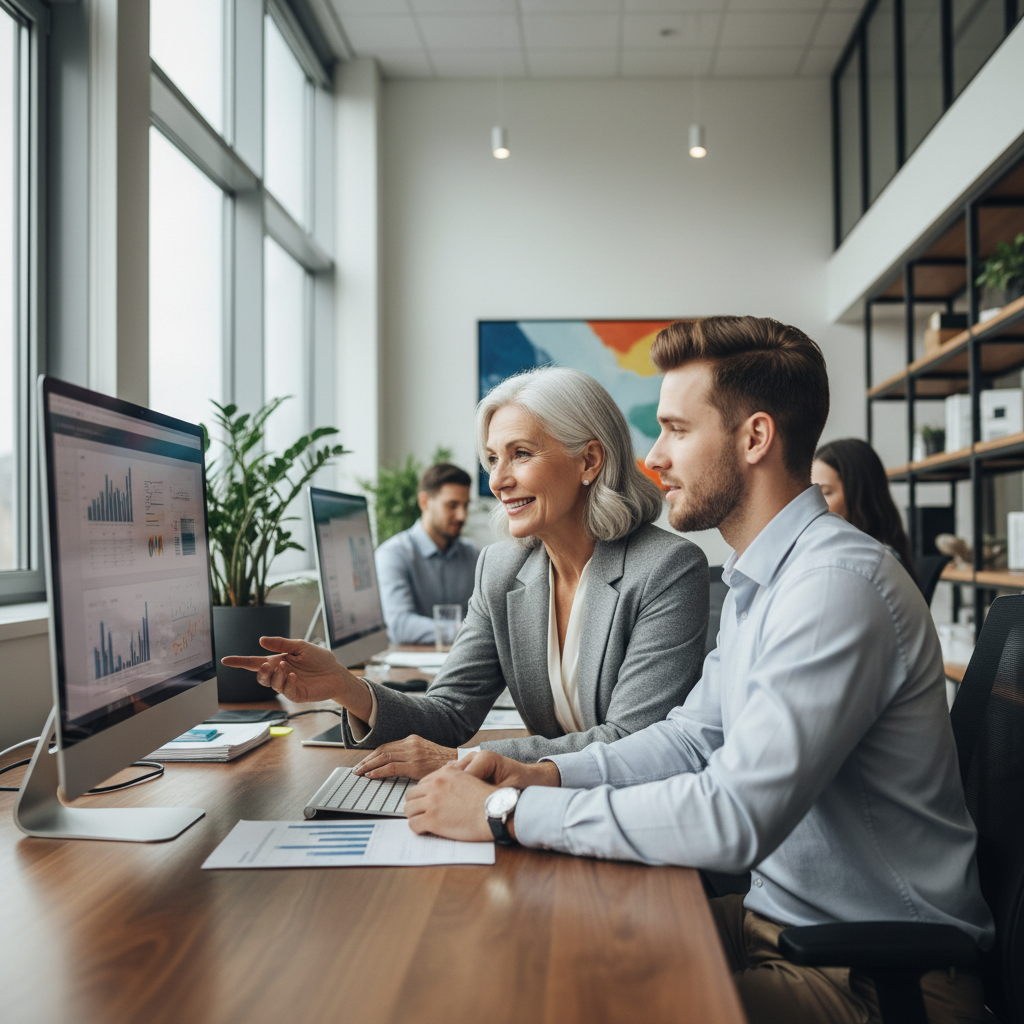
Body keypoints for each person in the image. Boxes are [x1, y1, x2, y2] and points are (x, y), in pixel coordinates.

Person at [404, 316, 993, 1024]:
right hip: (778, 923)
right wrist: (541, 775)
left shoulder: (837, 585)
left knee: (568, 1002)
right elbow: (689, 739)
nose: (653, 458)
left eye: (677, 431)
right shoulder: (764, 577)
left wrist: (508, 813)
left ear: (754, 439)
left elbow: (733, 816)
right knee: (531, 945)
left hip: (875, 974)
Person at [222, 366, 710, 779]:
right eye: (493, 458)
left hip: (634, 817)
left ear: (589, 460)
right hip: (552, 805)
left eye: (521, 454)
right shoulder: (502, 568)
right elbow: (448, 713)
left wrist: (466, 761)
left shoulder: (665, 569)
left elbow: (633, 743)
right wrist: (344, 687)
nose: (497, 480)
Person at [374, 462, 479, 645]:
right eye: (452, 505)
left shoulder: (473, 555)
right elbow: (401, 625)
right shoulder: (393, 554)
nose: (462, 515)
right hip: (409, 666)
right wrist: (467, 632)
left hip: (463, 661)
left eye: (465, 505)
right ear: (424, 502)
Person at [812, 437, 917, 579]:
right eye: (813, 494)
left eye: (826, 492)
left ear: (859, 495)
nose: (814, 503)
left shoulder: (875, 564)